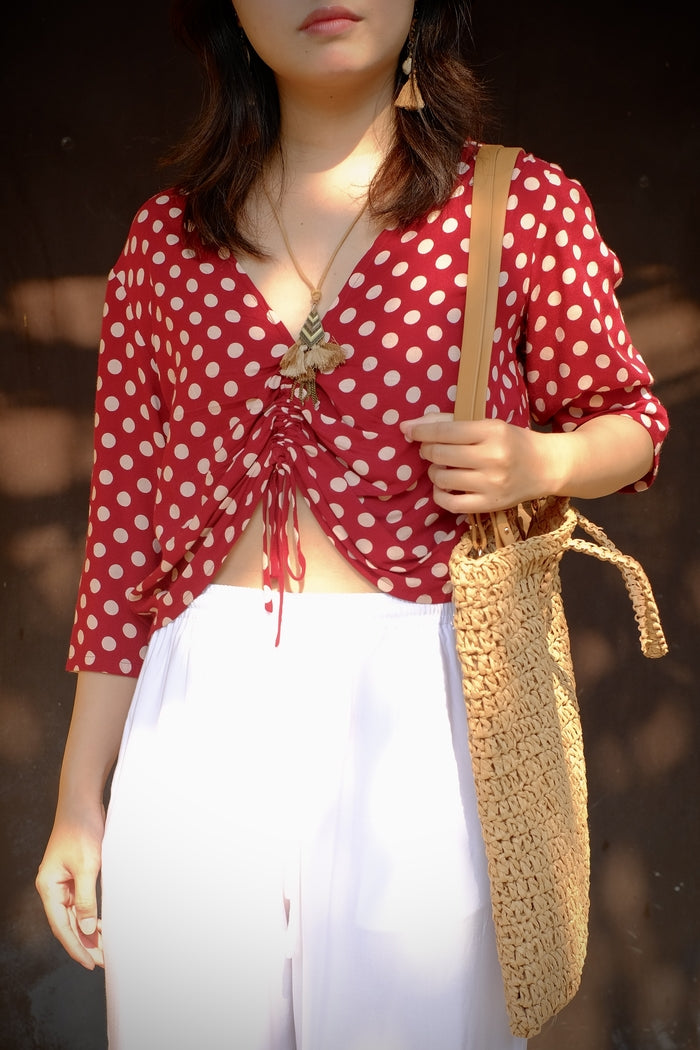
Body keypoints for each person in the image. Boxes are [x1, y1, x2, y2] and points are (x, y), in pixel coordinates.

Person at [36, 2, 669, 1048]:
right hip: (196, 713)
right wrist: (78, 802)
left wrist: (543, 459)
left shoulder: (517, 207)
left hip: (427, 700)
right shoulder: (166, 239)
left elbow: (633, 423)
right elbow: (122, 540)